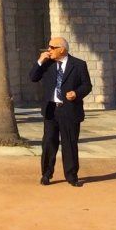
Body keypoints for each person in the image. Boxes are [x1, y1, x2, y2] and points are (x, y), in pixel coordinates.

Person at [30, 36, 92, 187]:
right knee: (49, 143)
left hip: (69, 110)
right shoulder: (47, 64)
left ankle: (71, 176)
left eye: (52, 47)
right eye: (48, 47)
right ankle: (46, 174)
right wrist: (40, 61)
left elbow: (87, 85)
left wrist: (76, 93)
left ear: (62, 49)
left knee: (69, 144)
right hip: (51, 110)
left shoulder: (78, 65)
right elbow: (33, 77)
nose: (49, 50)